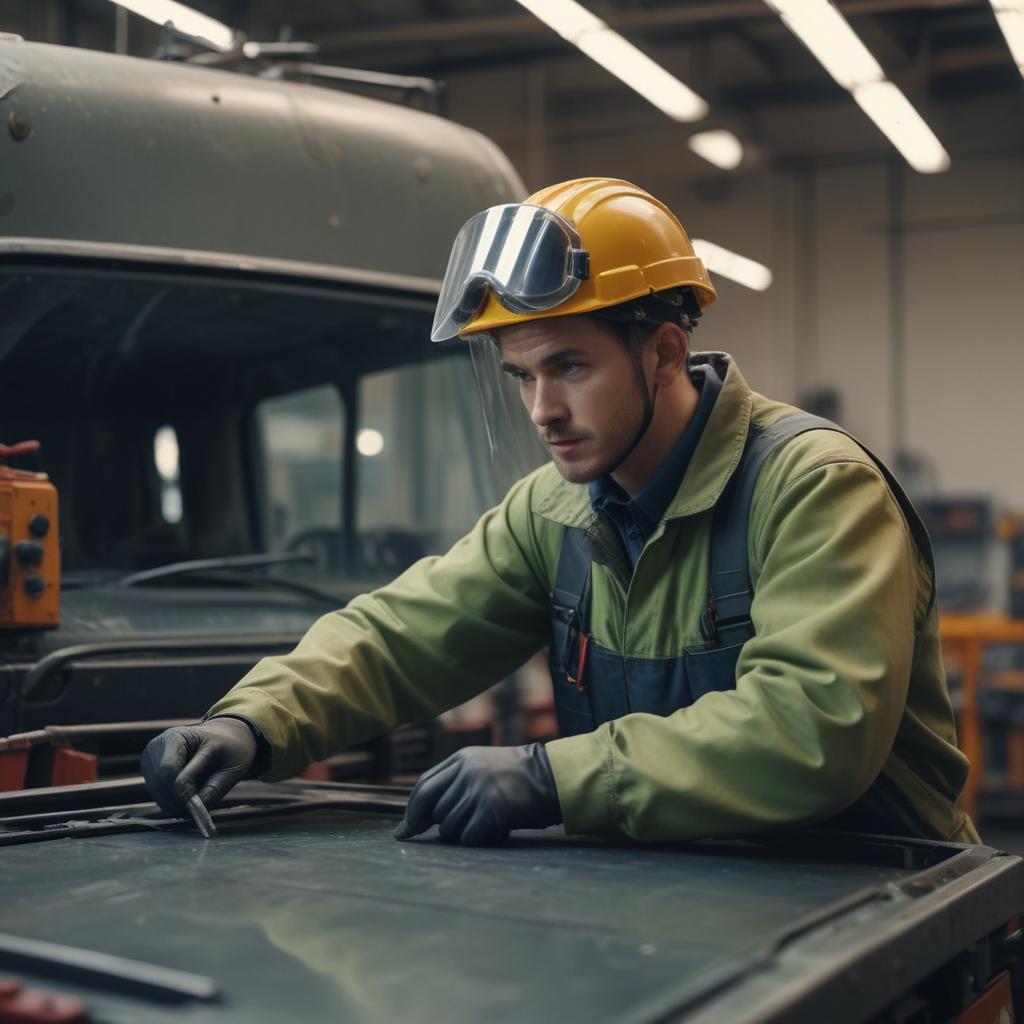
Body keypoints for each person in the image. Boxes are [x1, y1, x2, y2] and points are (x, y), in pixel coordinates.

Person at [142, 177, 979, 846]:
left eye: (569, 367)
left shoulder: (813, 488)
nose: (541, 410)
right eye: (521, 377)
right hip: (699, 898)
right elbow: (401, 636)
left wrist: (553, 779)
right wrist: (253, 722)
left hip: (879, 899)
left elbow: (812, 729)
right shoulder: (556, 509)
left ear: (663, 353)